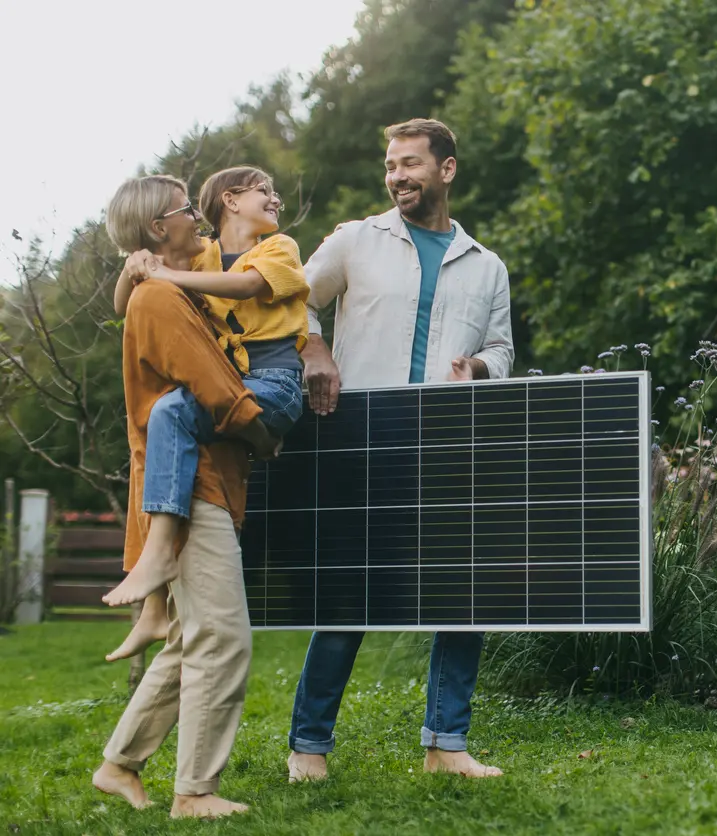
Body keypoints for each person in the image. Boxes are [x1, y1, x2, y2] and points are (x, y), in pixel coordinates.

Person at [286, 118, 513, 782]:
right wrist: (316, 346)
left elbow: (502, 350)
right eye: (391, 166)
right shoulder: (357, 240)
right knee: (350, 593)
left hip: (446, 443)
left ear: (446, 169)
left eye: (410, 164)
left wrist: (480, 368)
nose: (397, 177)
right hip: (362, 436)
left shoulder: (487, 265)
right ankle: (309, 747)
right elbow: (290, 299)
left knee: (463, 592)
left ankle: (447, 744)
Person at [91, 174, 272, 818]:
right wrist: (265, 429)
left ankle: (120, 764)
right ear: (156, 229)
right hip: (192, 488)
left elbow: (209, 271)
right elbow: (217, 389)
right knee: (223, 638)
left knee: (192, 637)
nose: (196, 217)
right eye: (184, 210)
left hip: (201, 482)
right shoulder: (161, 302)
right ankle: (194, 792)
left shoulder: (171, 282)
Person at [102, 166, 308, 662]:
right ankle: (155, 600)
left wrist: (165, 274)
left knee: (169, 411)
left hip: (274, 385)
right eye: (266, 191)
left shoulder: (279, 249)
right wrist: (134, 270)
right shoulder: (206, 252)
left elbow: (245, 287)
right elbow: (125, 306)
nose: (276, 200)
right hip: (235, 383)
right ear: (232, 200)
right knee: (152, 437)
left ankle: (156, 561)